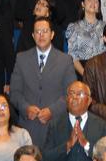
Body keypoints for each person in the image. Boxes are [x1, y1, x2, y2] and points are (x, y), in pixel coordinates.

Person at [9, 17, 77, 149]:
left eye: (45, 31)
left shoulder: (65, 60)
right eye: (37, 32)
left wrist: (52, 111)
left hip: (56, 127)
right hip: (28, 128)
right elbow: (15, 92)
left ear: (52, 34)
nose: (41, 35)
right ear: (33, 36)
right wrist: (25, 108)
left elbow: (70, 94)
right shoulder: (21, 59)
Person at [41, 80, 106, 161]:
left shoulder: (101, 125)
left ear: (89, 101)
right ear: (66, 99)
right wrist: (67, 145)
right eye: (71, 94)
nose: (74, 97)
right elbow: (45, 160)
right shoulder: (55, 125)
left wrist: (86, 145)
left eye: (79, 94)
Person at [64, 0, 105, 77]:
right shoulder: (74, 27)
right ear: (83, 4)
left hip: (103, 71)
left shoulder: (105, 27)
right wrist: (85, 75)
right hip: (82, 70)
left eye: (96, 0)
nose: (93, 2)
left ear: (98, 7)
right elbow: (72, 55)